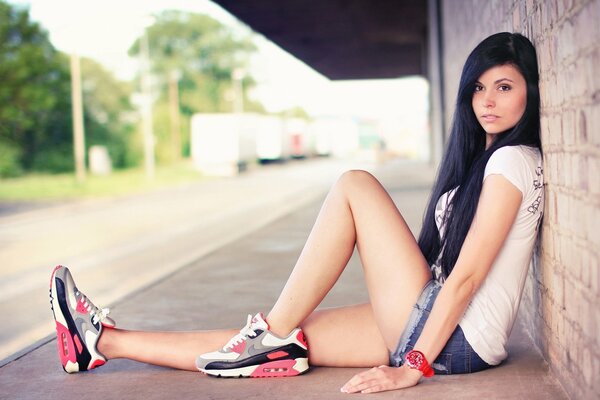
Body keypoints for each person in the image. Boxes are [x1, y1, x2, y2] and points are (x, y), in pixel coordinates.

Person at [49, 31, 544, 394]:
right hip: (432, 318)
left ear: (530, 92)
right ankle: (103, 343)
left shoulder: (513, 160)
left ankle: (270, 337)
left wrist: (412, 365)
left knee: (356, 185)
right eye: (479, 88)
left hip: (453, 338)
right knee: (280, 336)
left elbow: (468, 276)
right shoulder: (488, 160)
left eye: (503, 87)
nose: (487, 101)